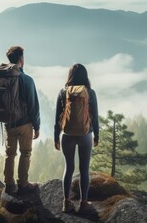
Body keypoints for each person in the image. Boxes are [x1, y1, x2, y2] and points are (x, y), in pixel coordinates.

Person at [54, 63, 99, 213]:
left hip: (67, 135)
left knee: (69, 168)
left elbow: (57, 118)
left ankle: (66, 203)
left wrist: (56, 137)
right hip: (85, 135)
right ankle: (83, 203)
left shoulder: (63, 92)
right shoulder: (90, 93)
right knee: (84, 169)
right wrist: (96, 135)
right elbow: (95, 117)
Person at [2, 46, 41, 195]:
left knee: (10, 154)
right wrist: (36, 126)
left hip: (8, 123)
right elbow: (33, 105)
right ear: (21, 60)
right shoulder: (26, 79)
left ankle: (9, 184)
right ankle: (23, 184)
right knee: (25, 153)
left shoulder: (3, 77)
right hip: (24, 123)